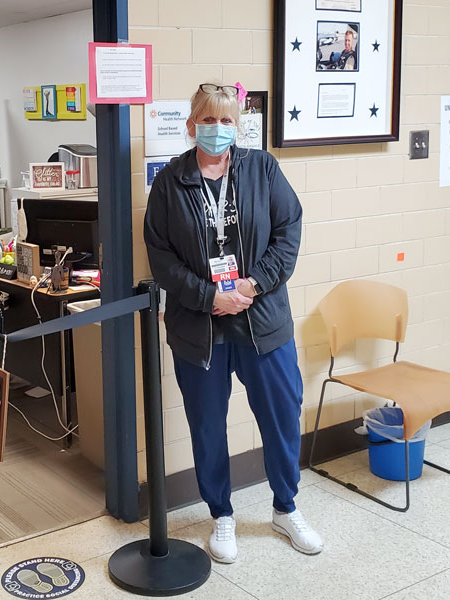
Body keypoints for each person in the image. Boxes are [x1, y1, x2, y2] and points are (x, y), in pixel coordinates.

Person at [143, 83, 323, 564]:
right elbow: (161, 258)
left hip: (261, 319)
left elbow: (288, 232)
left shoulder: (262, 168)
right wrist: (209, 297)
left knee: (283, 414)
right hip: (199, 327)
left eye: (226, 121)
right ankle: (221, 513)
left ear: (237, 125)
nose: (218, 130)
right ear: (191, 125)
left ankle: (286, 508)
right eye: (208, 120)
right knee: (207, 424)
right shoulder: (169, 182)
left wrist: (250, 286)